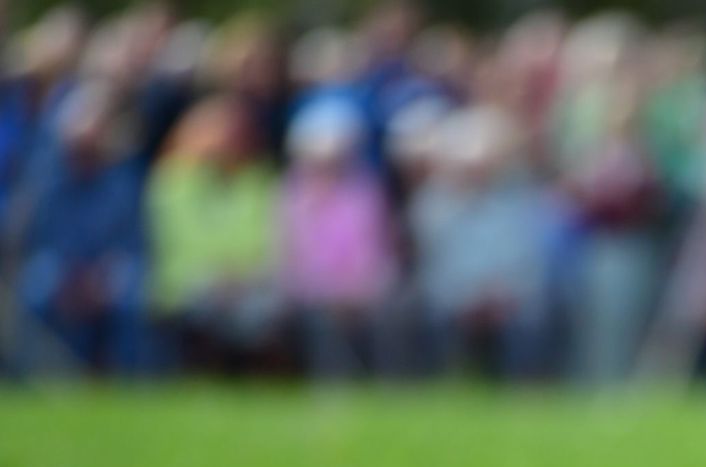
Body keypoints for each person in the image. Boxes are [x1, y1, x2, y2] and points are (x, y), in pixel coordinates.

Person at [11, 81, 149, 375]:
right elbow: (33, 239)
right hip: (58, 266)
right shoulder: (42, 182)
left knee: (131, 292)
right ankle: (38, 376)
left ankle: (130, 378)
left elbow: (131, 242)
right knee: (36, 286)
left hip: (105, 270)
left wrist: (98, 277)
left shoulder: (123, 182)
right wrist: (71, 276)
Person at [408, 104, 555, 378]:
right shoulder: (432, 205)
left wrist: (499, 295)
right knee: (431, 316)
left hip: (507, 298)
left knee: (531, 318)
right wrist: (467, 298)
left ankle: (525, 387)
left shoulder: (518, 201)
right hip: (454, 299)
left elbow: (524, 259)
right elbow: (436, 266)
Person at [147, 96, 280, 373]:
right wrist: (217, 274)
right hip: (189, 281)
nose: (222, 143)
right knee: (209, 306)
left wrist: (239, 274)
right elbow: (178, 243)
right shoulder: (172, 183)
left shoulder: (258, 182)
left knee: (262, 310)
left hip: (246, 281)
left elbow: (265, 240)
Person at [279, 99, 398, 378]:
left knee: (392, 311)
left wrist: (356, 288)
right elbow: (291, 253)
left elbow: (375, 247)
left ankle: (389, 381)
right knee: (322, 320)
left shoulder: (365, 190)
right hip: (311, 288)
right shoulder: (291, 195)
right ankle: (331, 379)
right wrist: (327, 290)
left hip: (361, 287)